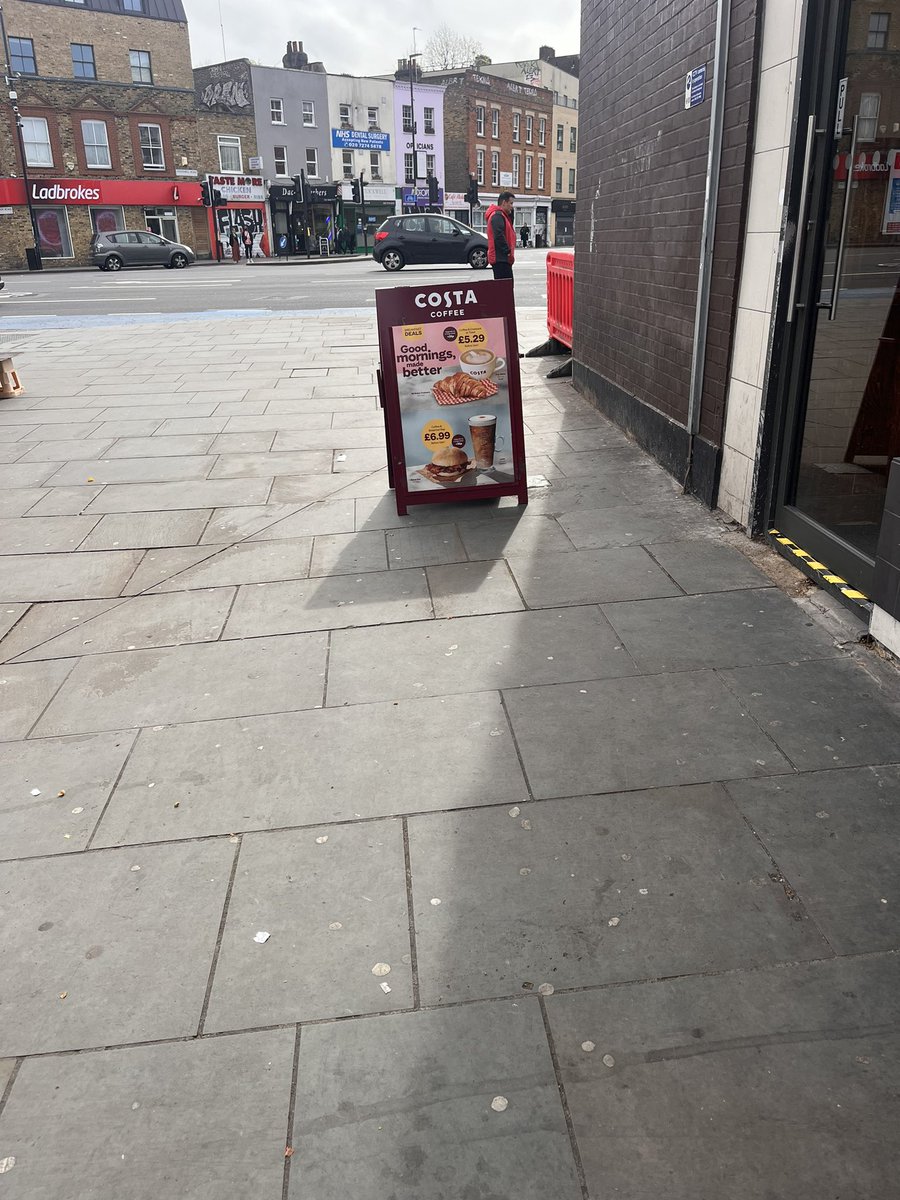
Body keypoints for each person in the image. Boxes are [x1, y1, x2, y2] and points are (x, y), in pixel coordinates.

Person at [485, 191, 516, 282]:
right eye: (511, 203)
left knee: (506, 288)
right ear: (504, 203)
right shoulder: (497, 216)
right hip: (501, 259)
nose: (512, 206)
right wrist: (507, 251)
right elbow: (498, 235)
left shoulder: (502, 215)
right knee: (505, 289)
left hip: (503, 258)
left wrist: (511, 214)